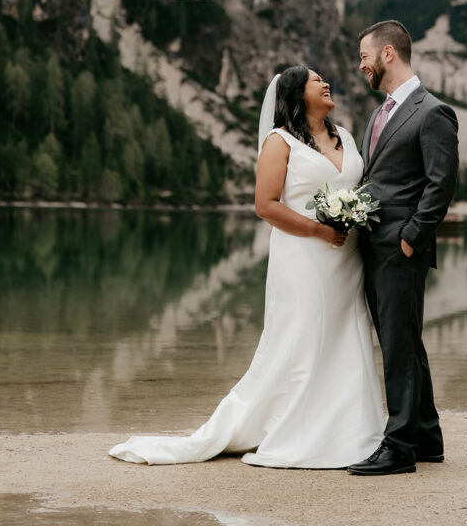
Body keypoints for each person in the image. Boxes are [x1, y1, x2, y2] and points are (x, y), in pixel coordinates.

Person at [109, 65, 385, 469]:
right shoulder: (279, 140)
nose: (326, 83)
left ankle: (350, 428)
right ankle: (298, 428)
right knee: (303, 336)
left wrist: (352, 216)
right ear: (295, 94)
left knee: (347, 334)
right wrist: (319, 231)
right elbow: (266, 205)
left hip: (348, 259)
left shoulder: (344, 135)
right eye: (315, 81)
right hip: (305, 257)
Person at [347, 20, 458, 476]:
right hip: (377, 246)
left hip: (401, 249)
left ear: (388, 54)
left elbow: (441, 184)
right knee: (405, 341)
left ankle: (398, 447)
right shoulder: (381, 112)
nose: (361, 67)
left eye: (364, 57)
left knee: (397, 345)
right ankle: (426, 438)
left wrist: (411, 238)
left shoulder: (432, 112)